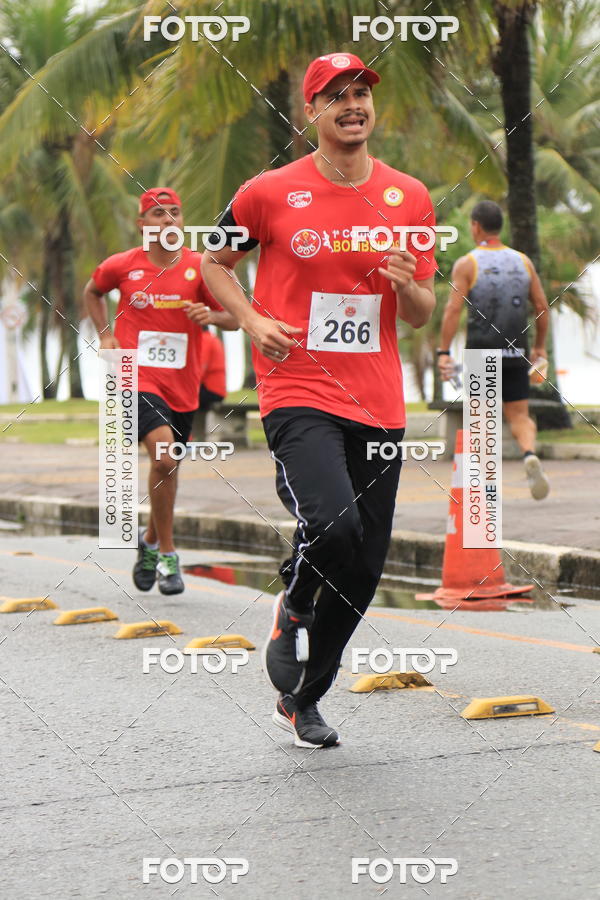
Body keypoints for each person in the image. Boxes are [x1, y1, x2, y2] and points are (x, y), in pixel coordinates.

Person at [202, 53, 437, 748]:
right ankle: (295, 605)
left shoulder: (409, 197)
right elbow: (214, 262)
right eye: (336, 96)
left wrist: (405, 284)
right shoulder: (267, 193)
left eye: (361, 93)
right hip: (296, 387)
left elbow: (421, 312)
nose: (353, 104)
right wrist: (249, 319)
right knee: (332, 528)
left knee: (364, 568)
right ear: (311, 113)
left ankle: (305, 697)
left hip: (378, 400)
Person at [84, 187, 237, 594]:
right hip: (134, 376)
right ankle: (169, 554)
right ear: (142, 225)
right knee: (165, 457)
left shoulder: (199, 268)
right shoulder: (123, 266)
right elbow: (92, 291)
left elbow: (236, 318)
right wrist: (105, 335)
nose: (168, 221)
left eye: (174, 213)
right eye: (157, 214)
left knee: (165, 468)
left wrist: (213, 315)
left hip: (183, 386)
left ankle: (149, 541)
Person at [437, 200, 550, 500]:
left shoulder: (468, 263)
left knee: (482, 421)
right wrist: (539, 347)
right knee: (519, 416)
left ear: (476, 226)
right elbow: (541, 307)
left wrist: (443, 351)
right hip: (516, 352)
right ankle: (528, 454)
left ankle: (484, 490)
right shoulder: (523, 262)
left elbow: (452, 310)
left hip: (481, 353)